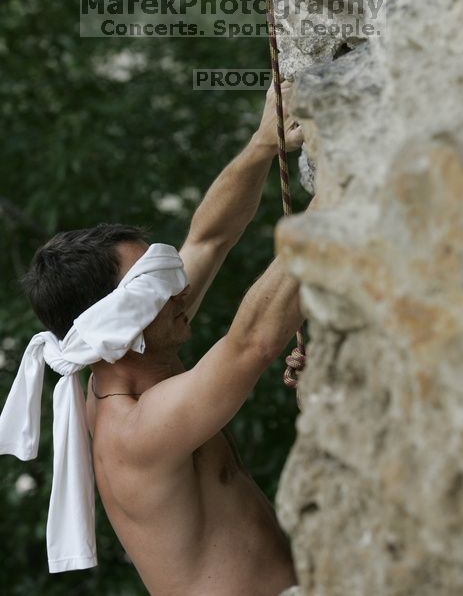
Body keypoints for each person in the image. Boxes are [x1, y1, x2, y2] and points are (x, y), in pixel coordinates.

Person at [14, 82, 312, 595]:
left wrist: (265, 140)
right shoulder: (132, 430)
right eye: (154, 290)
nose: (178, 293)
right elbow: (253, 343)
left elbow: (209, 238)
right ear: (117, 327)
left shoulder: (138, 350)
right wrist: (337, 202)